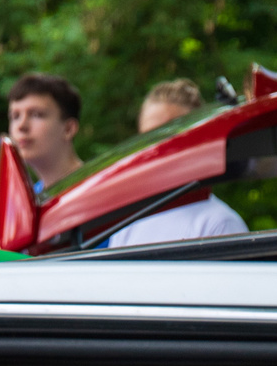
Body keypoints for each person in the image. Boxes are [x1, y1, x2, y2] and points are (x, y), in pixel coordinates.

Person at [103, 78, 249, 248]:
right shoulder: (128, 224)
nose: (155, 149)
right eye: (148, 139)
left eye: (169, 138)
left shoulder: (220, 225)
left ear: (196, 142)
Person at [6, 72, 85, 191]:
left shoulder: (100, 187)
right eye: (15, 116)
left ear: (68, 129)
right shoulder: (31, 200)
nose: (21, 126)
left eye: (36, 115)